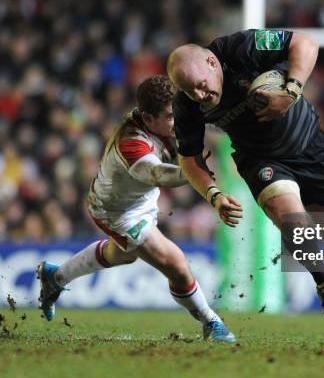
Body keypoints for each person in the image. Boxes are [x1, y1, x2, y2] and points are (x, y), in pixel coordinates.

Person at [167, 29, 324, 343]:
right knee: (291, 219)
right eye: (191, 92)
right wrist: (213, 194)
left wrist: (292, 90)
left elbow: (305, 42)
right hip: (261, 159)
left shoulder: (240, 49)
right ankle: (323, 279)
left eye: (201, 86)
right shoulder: (187, 104)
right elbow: (189, 159)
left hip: (310, 145)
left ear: (212, 62)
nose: (200, 96)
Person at [36, 76, 236, 343]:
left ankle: (56, 276)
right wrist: (191, 173)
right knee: (175, 264)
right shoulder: (131, 141)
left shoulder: (162, 118)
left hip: (140, 198)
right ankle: (212, 322)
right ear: (148, 118)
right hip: (117, 210)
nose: (175, 120)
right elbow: (154, 173)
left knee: (123, 254)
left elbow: (204, 119)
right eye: (169, 116)